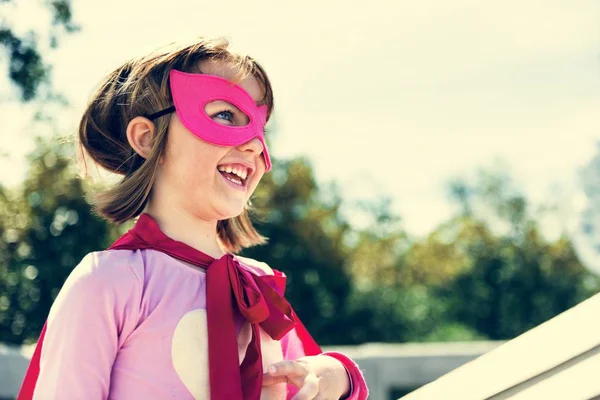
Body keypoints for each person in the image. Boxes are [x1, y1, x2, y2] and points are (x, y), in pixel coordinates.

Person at [17, 37, 369, 400]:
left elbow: (305, 378)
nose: (252, 144)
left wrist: (336, 375)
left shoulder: (258, 287)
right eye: (224, 115)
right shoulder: (113, 283)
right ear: (147, 138)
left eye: (259, 128)